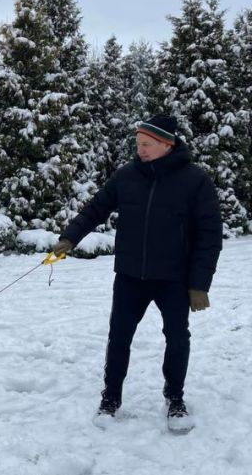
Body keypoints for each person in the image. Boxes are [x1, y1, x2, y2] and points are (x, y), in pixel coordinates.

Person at [54, 115, 223, 432]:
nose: (140, 150)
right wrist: (70, 237)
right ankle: (110, 398)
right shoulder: (127, 176)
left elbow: (210, 236)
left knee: (177, 338)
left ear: (166, 144)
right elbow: (96, 208)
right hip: (130, 275)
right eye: (138, 144)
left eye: (146, 144)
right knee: (118, 337)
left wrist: (199, 284)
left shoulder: (195, 181)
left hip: (173, 278)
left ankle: (175, 399)